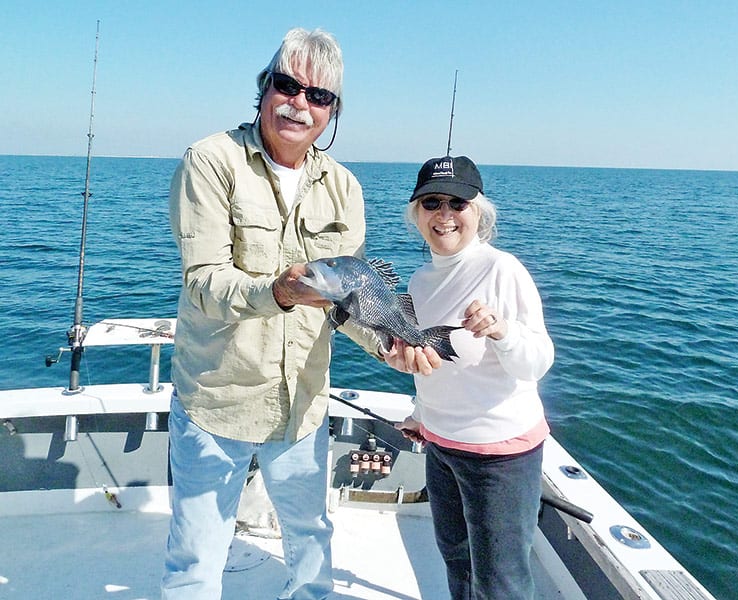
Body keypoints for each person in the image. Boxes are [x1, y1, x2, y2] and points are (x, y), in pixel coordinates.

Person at [162, 28, 413, 599]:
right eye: (288, 85)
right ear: (264, 89)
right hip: (216, 400)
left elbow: (351, 300)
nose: (300, 103)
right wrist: (275, 293)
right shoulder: (211, 160)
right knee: (197, 553)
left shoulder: (344, 187)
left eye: (319, 96)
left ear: (331, 112)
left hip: (302, 405)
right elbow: (203, 281)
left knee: (311, 543)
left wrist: (392, 347)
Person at [389, 155, 555, 600]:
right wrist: (418, 410)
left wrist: (502, 330)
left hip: (499, 457)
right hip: (440, 445)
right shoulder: (419, 281)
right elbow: (431, 360)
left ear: (478, 212)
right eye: (431, 203)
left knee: (501, 581)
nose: (444, 215)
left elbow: (537, 361)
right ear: (416, 214)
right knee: (457, 562)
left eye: (457, 204)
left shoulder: (502, 269)